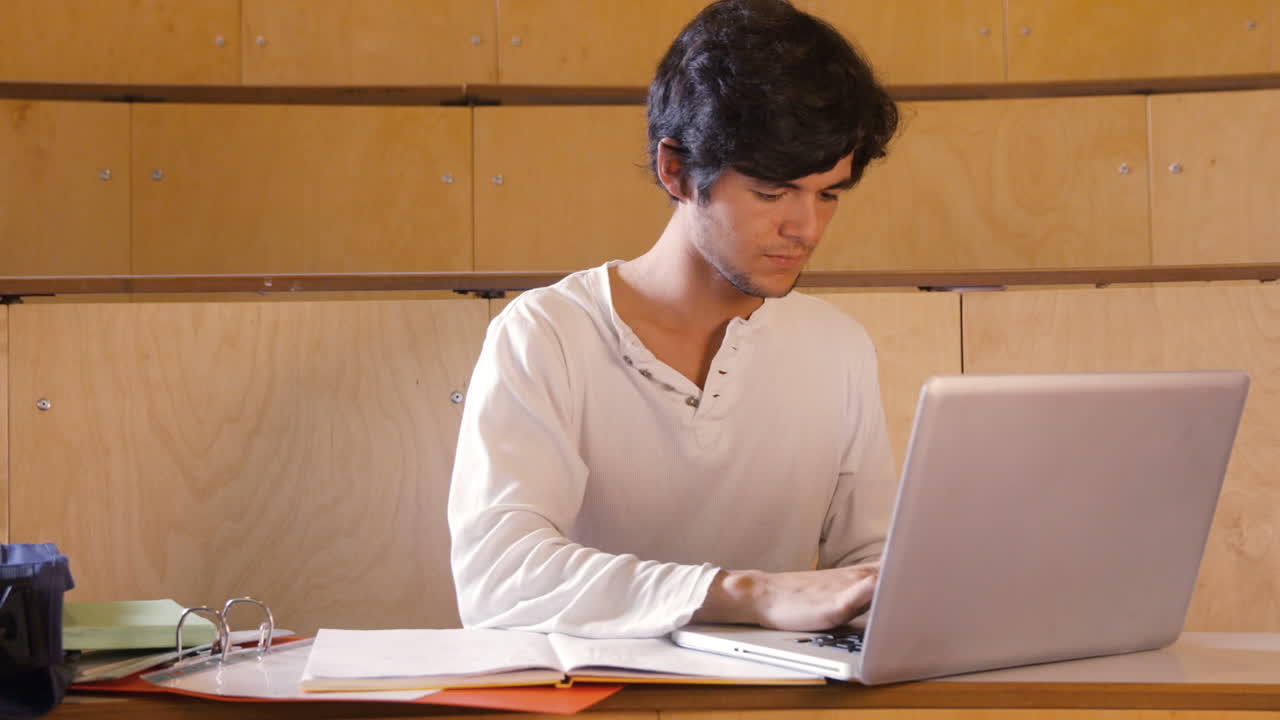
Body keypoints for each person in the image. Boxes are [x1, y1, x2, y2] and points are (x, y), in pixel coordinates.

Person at [448, 0, 900, 639]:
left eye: (829, 193)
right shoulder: (547, 333)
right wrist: (747, 594)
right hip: (590, 704)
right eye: (772, 193)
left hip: (777, 704)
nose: (806, 227)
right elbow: (496, 580)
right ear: (677, 170)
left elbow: (873, 568)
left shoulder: (838, 346)